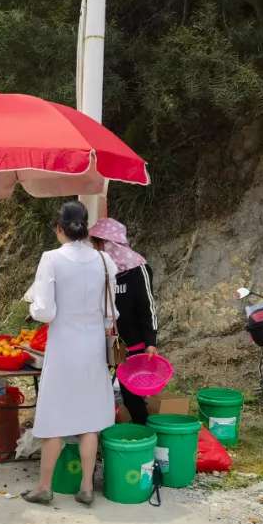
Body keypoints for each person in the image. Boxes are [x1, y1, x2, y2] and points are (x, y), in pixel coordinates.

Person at [21, 200, 117, 507]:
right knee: (89, 419)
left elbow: (45, 312)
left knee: (55, 416)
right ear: (86, 228)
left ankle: (44, 487)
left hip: (63, 348)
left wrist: (33, 306)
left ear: (59, 228)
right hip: (92, 350)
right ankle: (86, 486)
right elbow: (110, 313)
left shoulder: (51, 259)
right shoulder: (104, 260)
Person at [89, 217, 159, 425]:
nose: (95, 248)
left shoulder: (138, 269)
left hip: (133, 343)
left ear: (108, 243)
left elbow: (148, 308)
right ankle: (104, 429)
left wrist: (151, 342)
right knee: (101, 388)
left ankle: (142, 430)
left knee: (131, 393)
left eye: (97, 243)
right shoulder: (99, 269)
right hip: (108, 340)